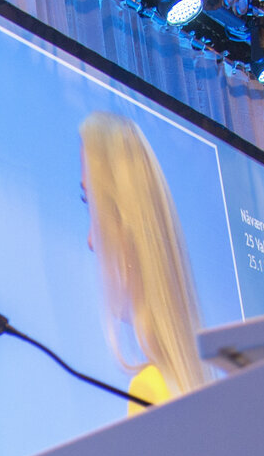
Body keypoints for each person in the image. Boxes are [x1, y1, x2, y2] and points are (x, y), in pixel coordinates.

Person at [79, 111, 212, 414]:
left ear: (128, 223)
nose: (91, 241)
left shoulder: (149, 390)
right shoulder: (189, 386)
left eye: (94, 206)